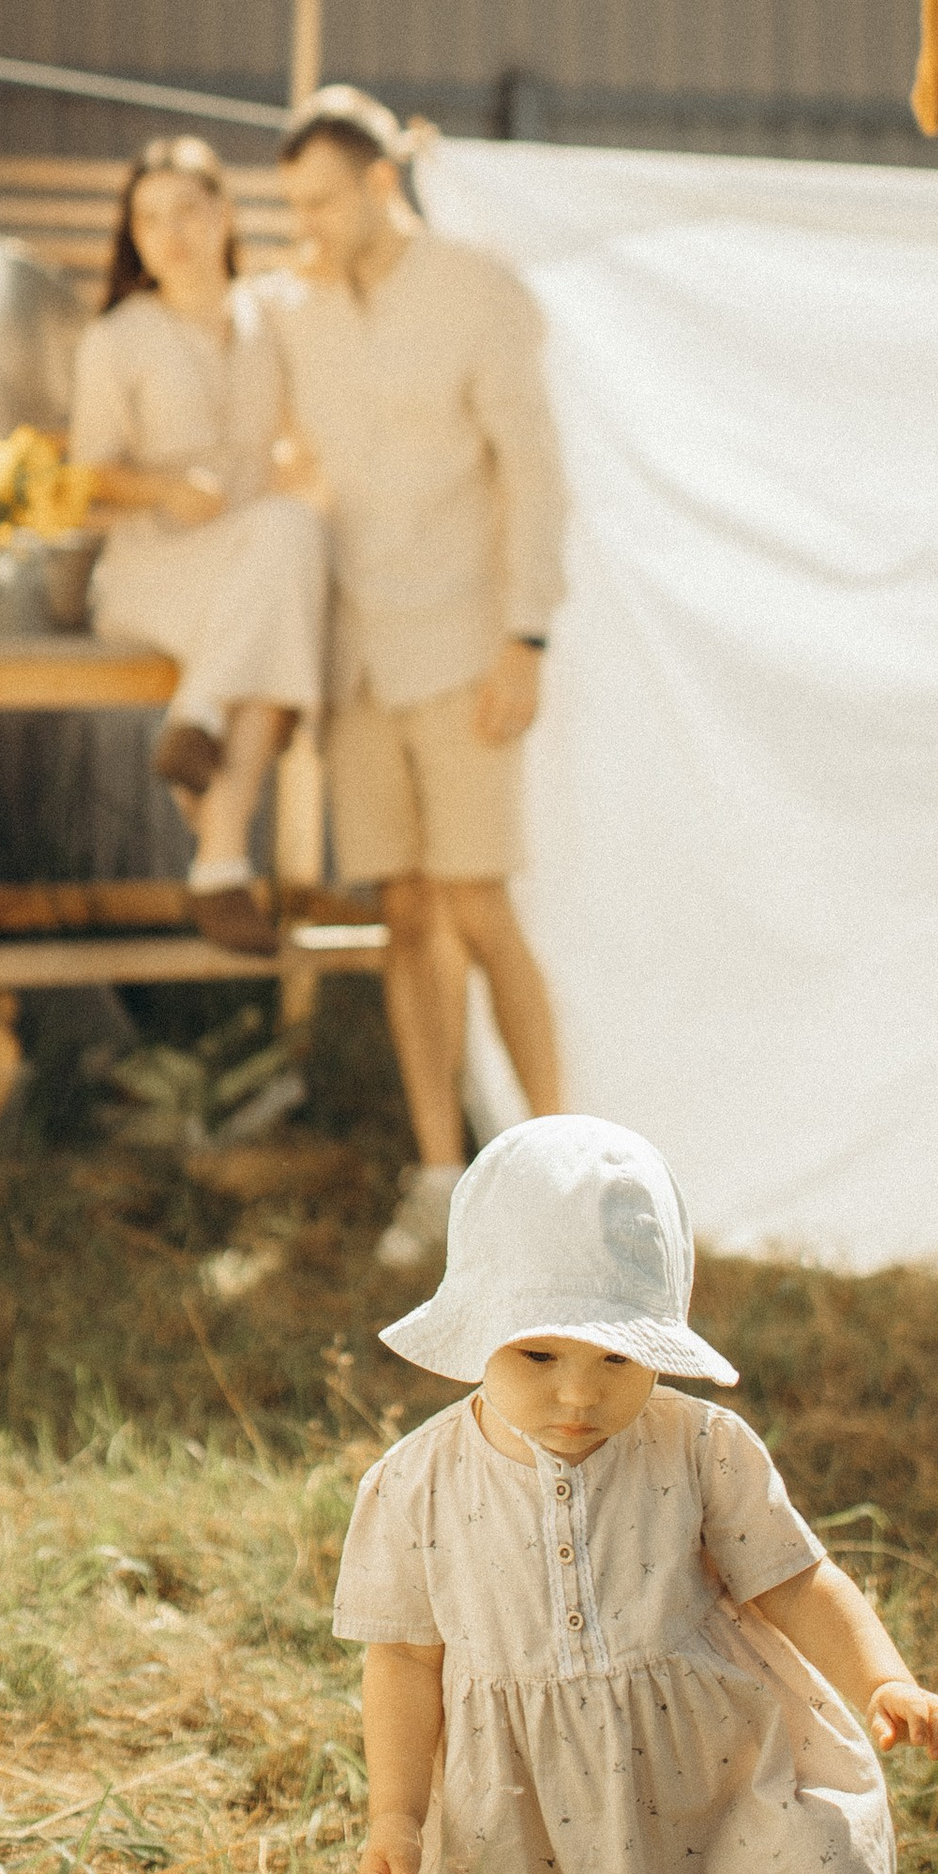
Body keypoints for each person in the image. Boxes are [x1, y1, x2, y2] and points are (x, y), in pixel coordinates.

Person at [334, 1116, 938, 1874]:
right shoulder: (414, 1486)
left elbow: (795, 1581)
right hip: (517, 1800)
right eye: (539, 1356)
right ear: (478, 1330)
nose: (578, 1397)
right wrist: (394, 1812)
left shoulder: (702, 1448)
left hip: (709, 1773)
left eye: (617, 1360)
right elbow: (404, 1657)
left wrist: (885, 1679)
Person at [271, 85, 567, 1269]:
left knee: (480, 908)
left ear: (382, 184)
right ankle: (442, 1172)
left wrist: (526, 640)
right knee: (402, 916)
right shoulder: (291, 311)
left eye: (326, 200)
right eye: (294, 205)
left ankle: (561, 1181)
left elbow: (534, 473)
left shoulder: (476, 294)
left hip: (464, 647)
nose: (309, 223)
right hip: (359, 660)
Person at [69, 135, 325, 958]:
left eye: (186, 211)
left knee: (285, 544)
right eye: (148, 219)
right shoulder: (118, 338)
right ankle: (216, 851)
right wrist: (165, 490)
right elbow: (89, 474)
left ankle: (214, 831)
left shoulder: (273, 319)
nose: (170, 234)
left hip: (250, 567)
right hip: (153, 572)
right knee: (273, 623)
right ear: (133, 235)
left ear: (223, 215)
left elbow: (307, 439)